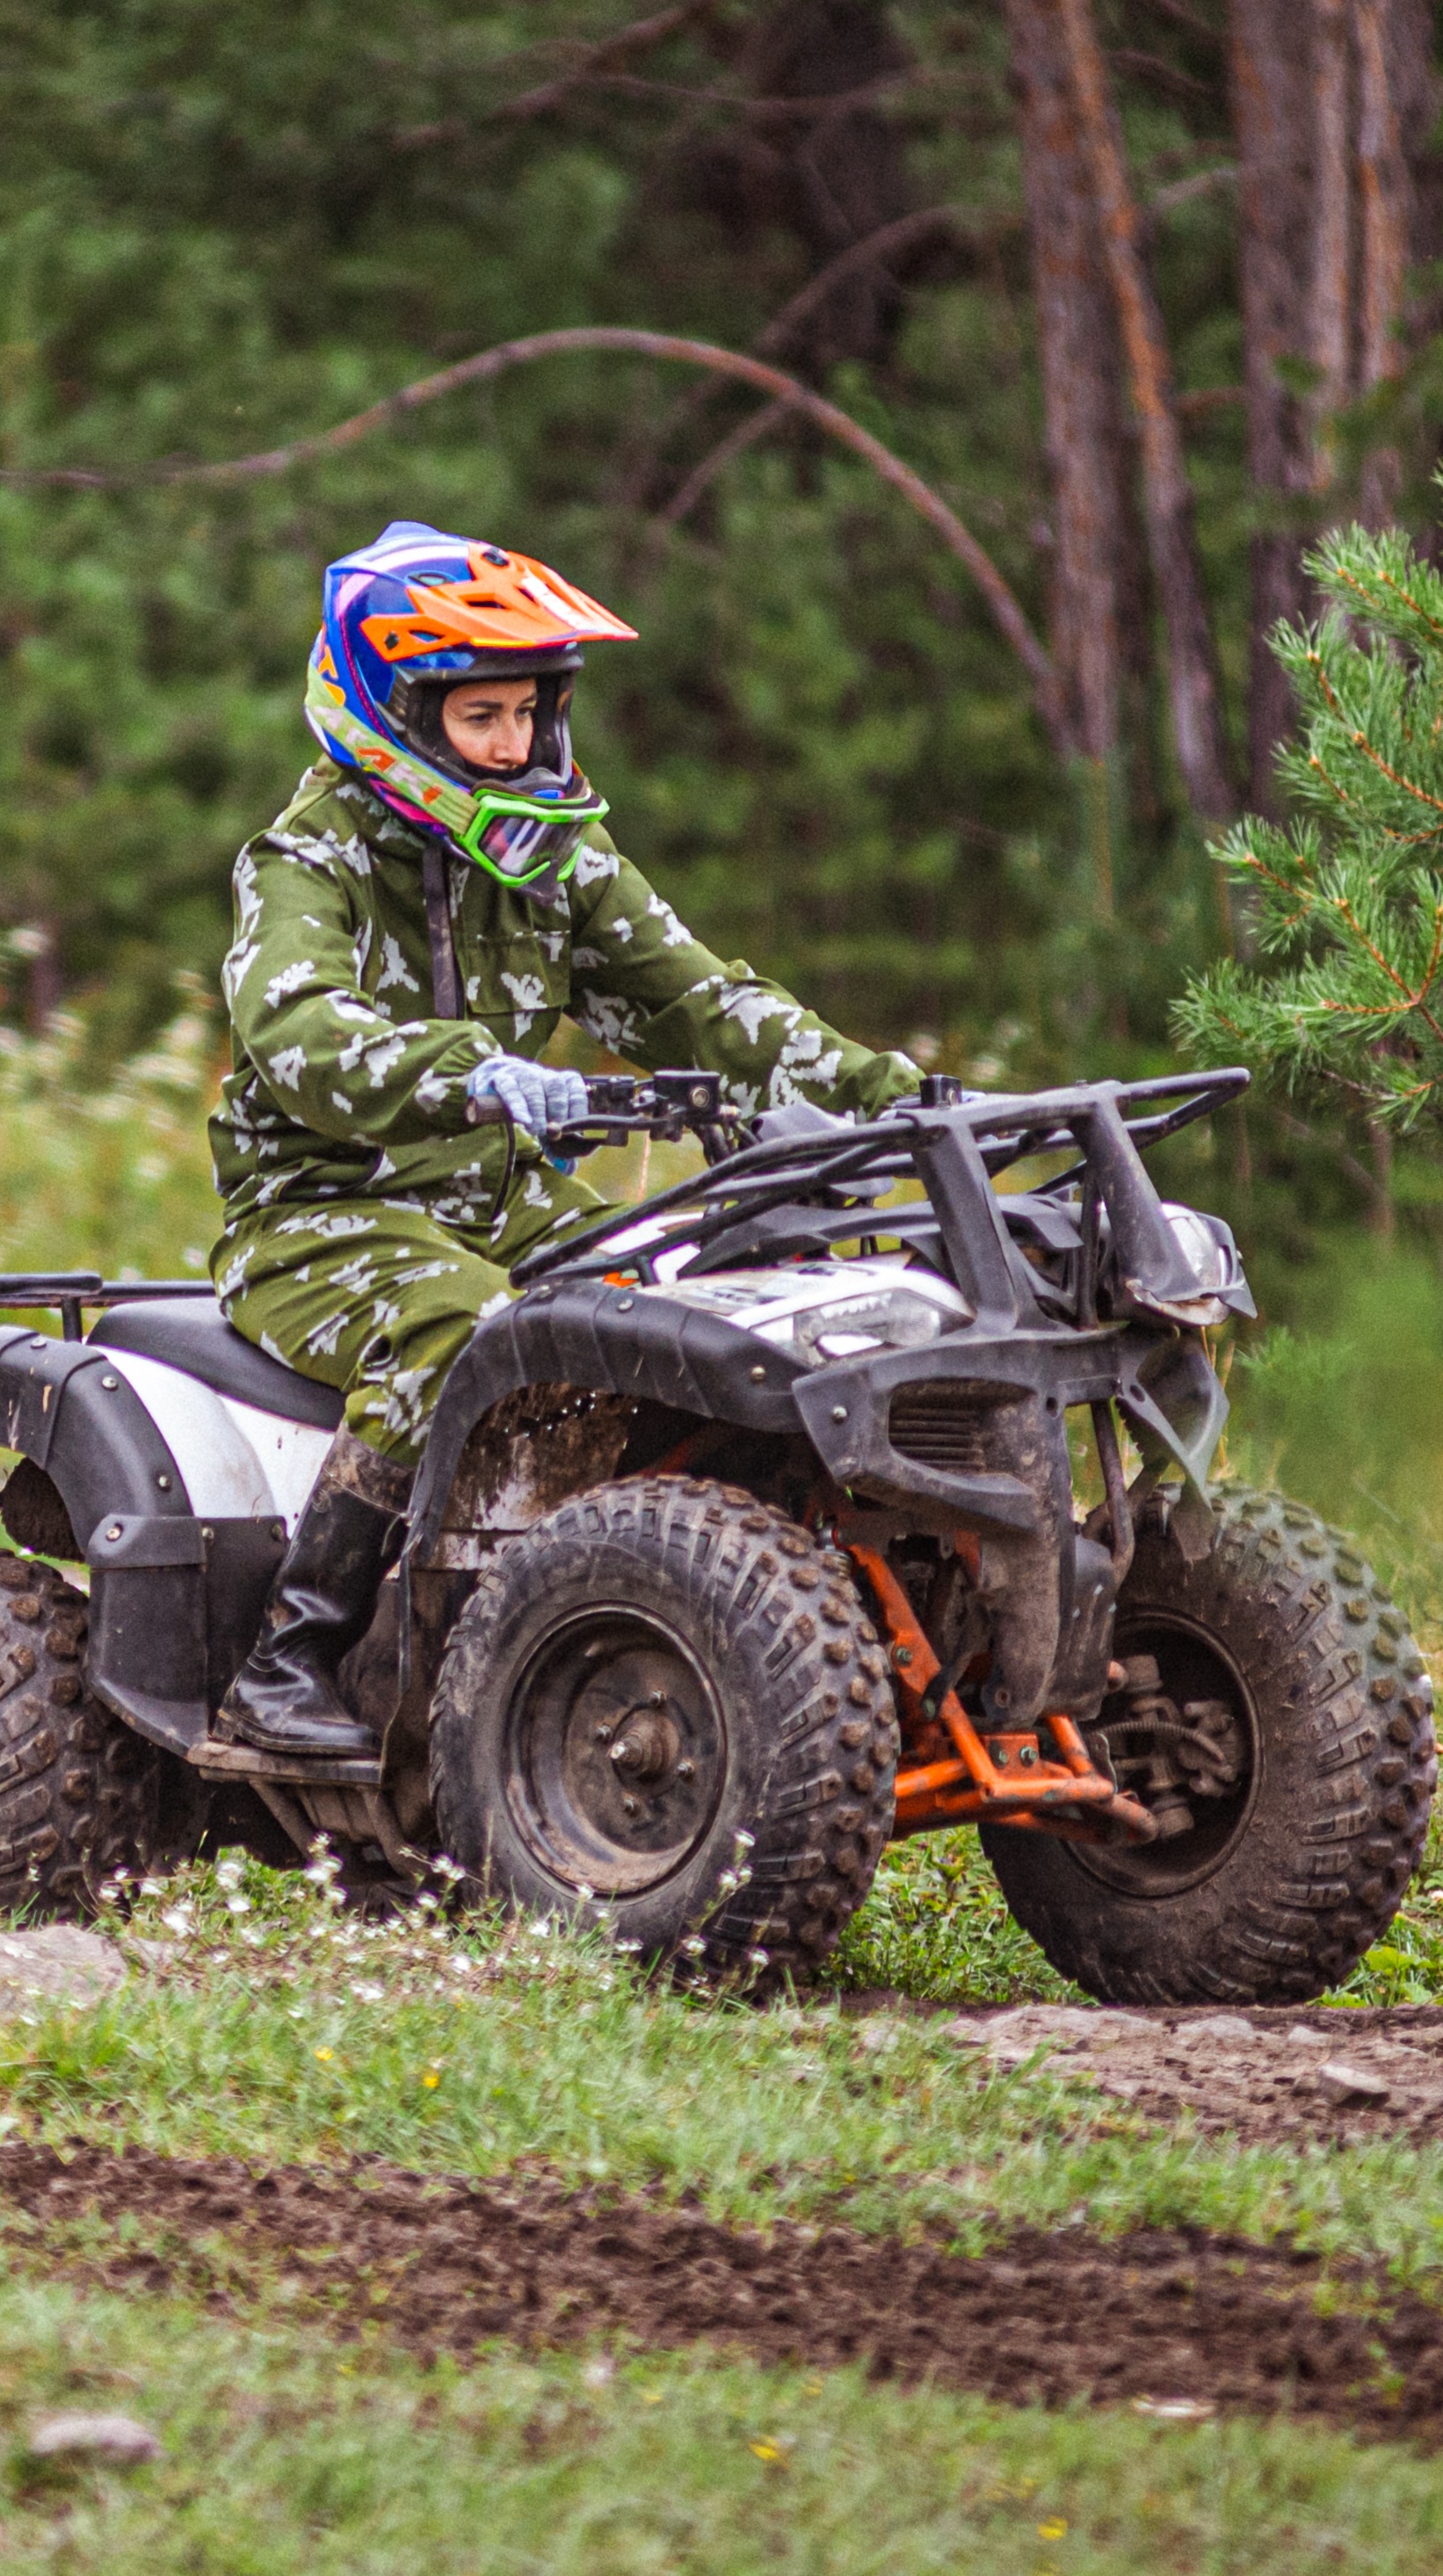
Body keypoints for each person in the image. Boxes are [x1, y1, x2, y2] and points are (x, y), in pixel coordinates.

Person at [204, 519, 924, 1769]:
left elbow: (703, 1004)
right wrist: (470, 1075)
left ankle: (643, 1620)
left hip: (500, 1202)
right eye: (481, 716)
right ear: (393, 716)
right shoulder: (306, 862)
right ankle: (288, 1659)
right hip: (316, 1212)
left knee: (681, 1316)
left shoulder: (554, 859)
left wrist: (899, 1099)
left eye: (530, 712)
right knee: (461, 1331)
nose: (514, 744)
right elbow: (297, 1032)